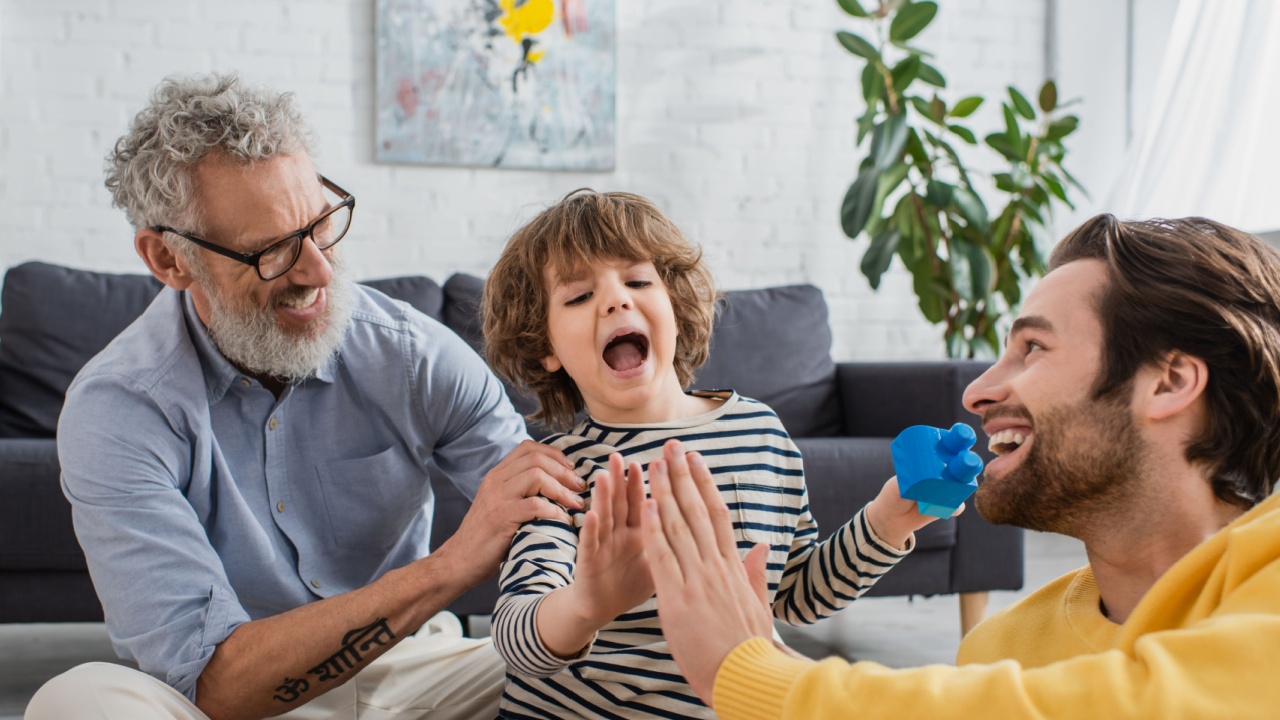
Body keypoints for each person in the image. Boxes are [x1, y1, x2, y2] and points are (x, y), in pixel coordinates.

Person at [25, 73, 587, 720]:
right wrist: (448, 568)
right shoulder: (119, 408)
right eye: (270, 250)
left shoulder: (409, 354)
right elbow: (215, 681)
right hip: (238, 696)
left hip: (411, 674)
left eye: (321, 224)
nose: (318, 270)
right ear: (169, 260)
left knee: (601, 650)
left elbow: (550, 521)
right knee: (77, 703)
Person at [637, 214, 1280, 719]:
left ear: (1168, 384)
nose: (976, 392)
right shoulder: (1002, 650)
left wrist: (751, 672)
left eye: (1033, 348)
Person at [479, 189, 946, 718]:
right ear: (546, 347)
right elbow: (514, 637)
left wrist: (885, 524)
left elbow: (796, 596)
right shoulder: (559, 471)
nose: (616, 300)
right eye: (579, 296)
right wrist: (587, 603)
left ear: (675, 307)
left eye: (636, 281)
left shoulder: (761, 433)